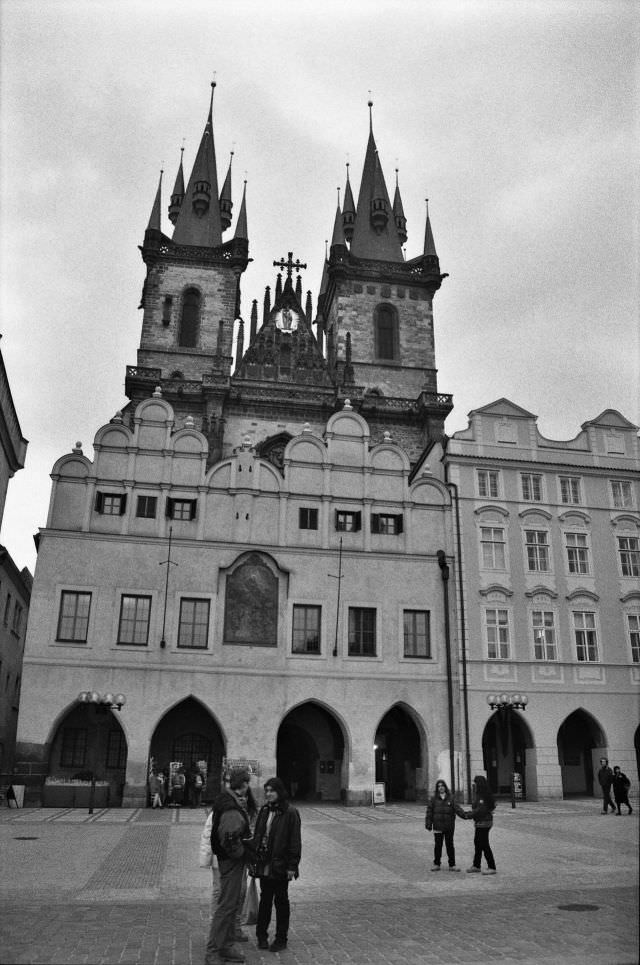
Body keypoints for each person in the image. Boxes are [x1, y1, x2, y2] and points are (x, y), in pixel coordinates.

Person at [204, 767, 253, 965]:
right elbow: (229, 840)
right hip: (231, 862)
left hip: (229, 861)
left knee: (231, 905)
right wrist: (243, 853)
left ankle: (226, 945)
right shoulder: (231, 808)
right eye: (248, 782)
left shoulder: (230, 801)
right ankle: (213, 951)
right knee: (226, 907)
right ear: (244, 784)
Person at [251, 776, 301, 954]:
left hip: (281, 864)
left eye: (272, 790)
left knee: (281, 901)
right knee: (265, 899)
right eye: (266, 791)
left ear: (280, 791)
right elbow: (258, 835)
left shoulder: (290, 812)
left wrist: (292, 866)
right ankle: (261, 936)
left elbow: (295, 841)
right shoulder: (265, 810)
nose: (268, 794)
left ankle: (281, 938)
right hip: (265, 862)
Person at [425, 778, 465, 871]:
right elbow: (429, 812)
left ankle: (452, 865)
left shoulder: (451, 798)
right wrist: (428, 823)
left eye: (442, 786)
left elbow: (458, 809)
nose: (441, 787)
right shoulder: (433, 799)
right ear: (437, 788)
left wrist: (466, 815)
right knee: (438, 846)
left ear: (445, 787)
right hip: (437, 826)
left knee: (450, 845)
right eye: (439, 786)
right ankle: (436, 864)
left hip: (449, 826)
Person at [464, 774, 497, 875]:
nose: (474, 785)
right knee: (477, 843)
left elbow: (480, 810)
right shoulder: (480, 794)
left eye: (475, 783)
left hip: (484, 822)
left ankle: (492, 867)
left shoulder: (483, 795)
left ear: (480, 784)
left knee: (484, 844)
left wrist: (468, 815)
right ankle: (476, 865)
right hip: (480, 822)